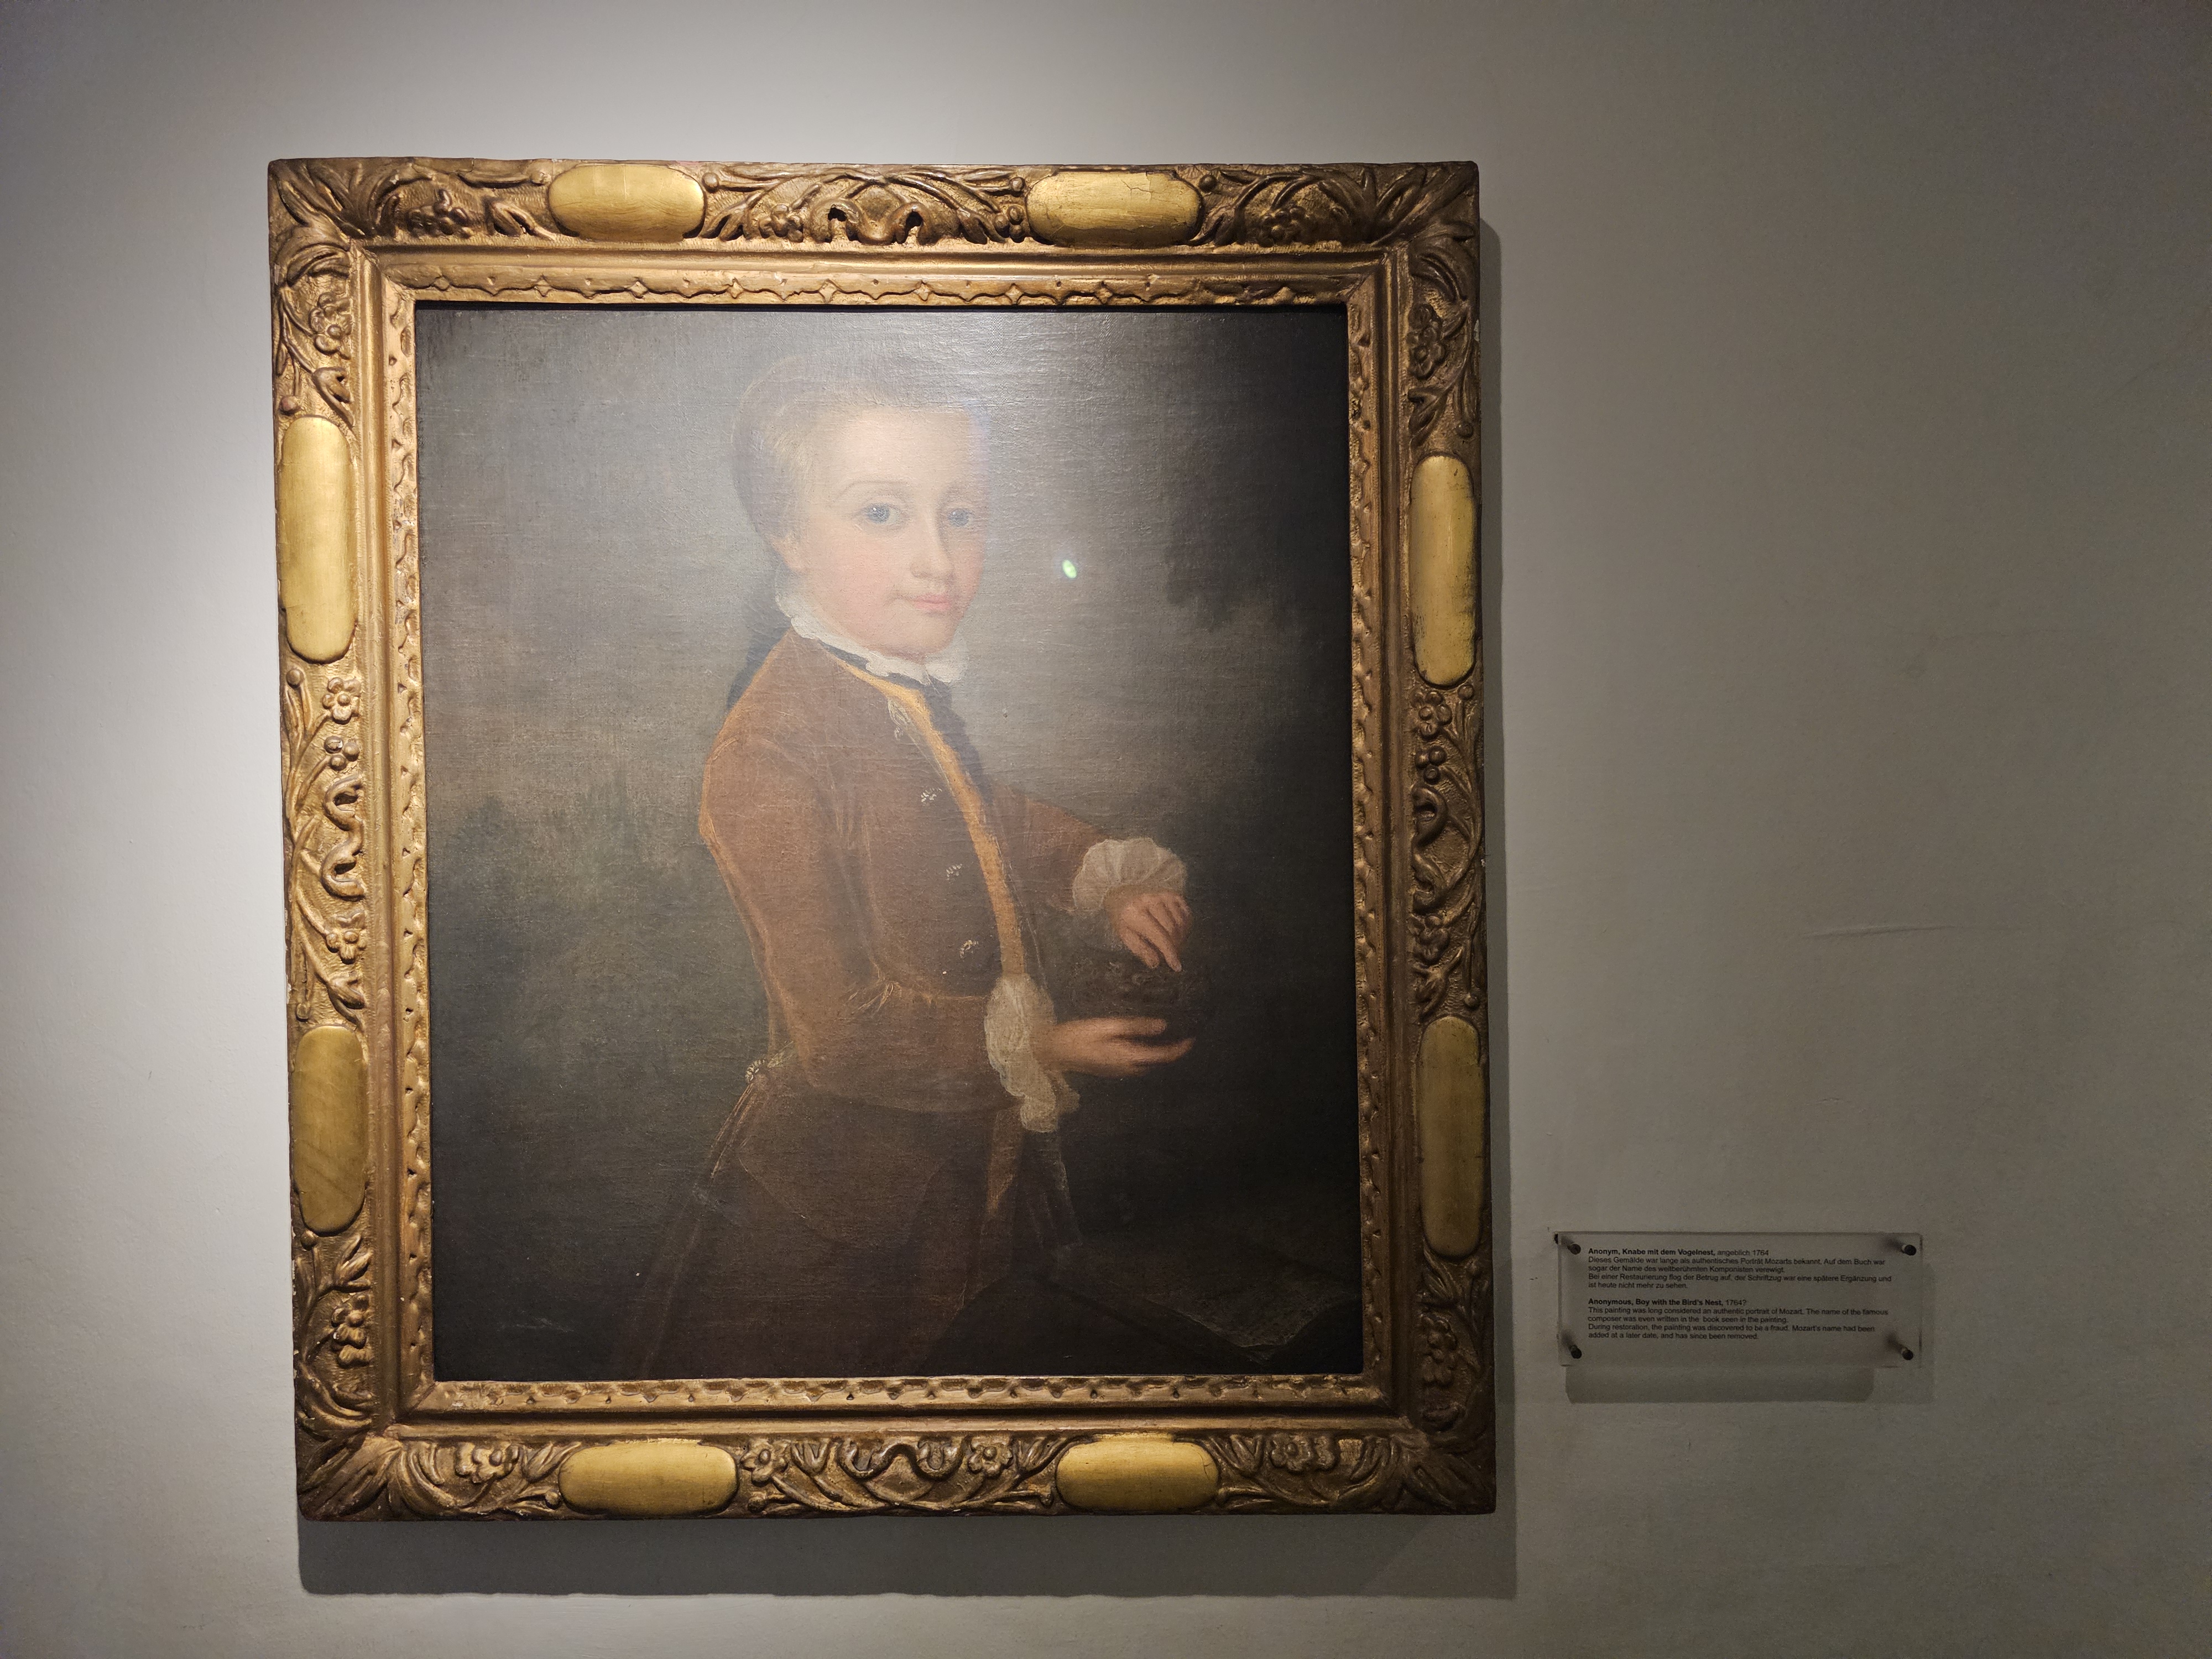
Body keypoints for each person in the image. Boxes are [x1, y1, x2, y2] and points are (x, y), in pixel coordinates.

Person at [622, 349, 1195, 1379]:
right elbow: (842, 1034)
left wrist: (1103, 874)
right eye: (882, 514)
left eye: (960, 515)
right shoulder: (768, 747)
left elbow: (979, 815)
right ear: (788, 533)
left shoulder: (894, 687)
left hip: (974, 1167)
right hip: (843, 1220)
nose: (937, 559)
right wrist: (1045, 1045)